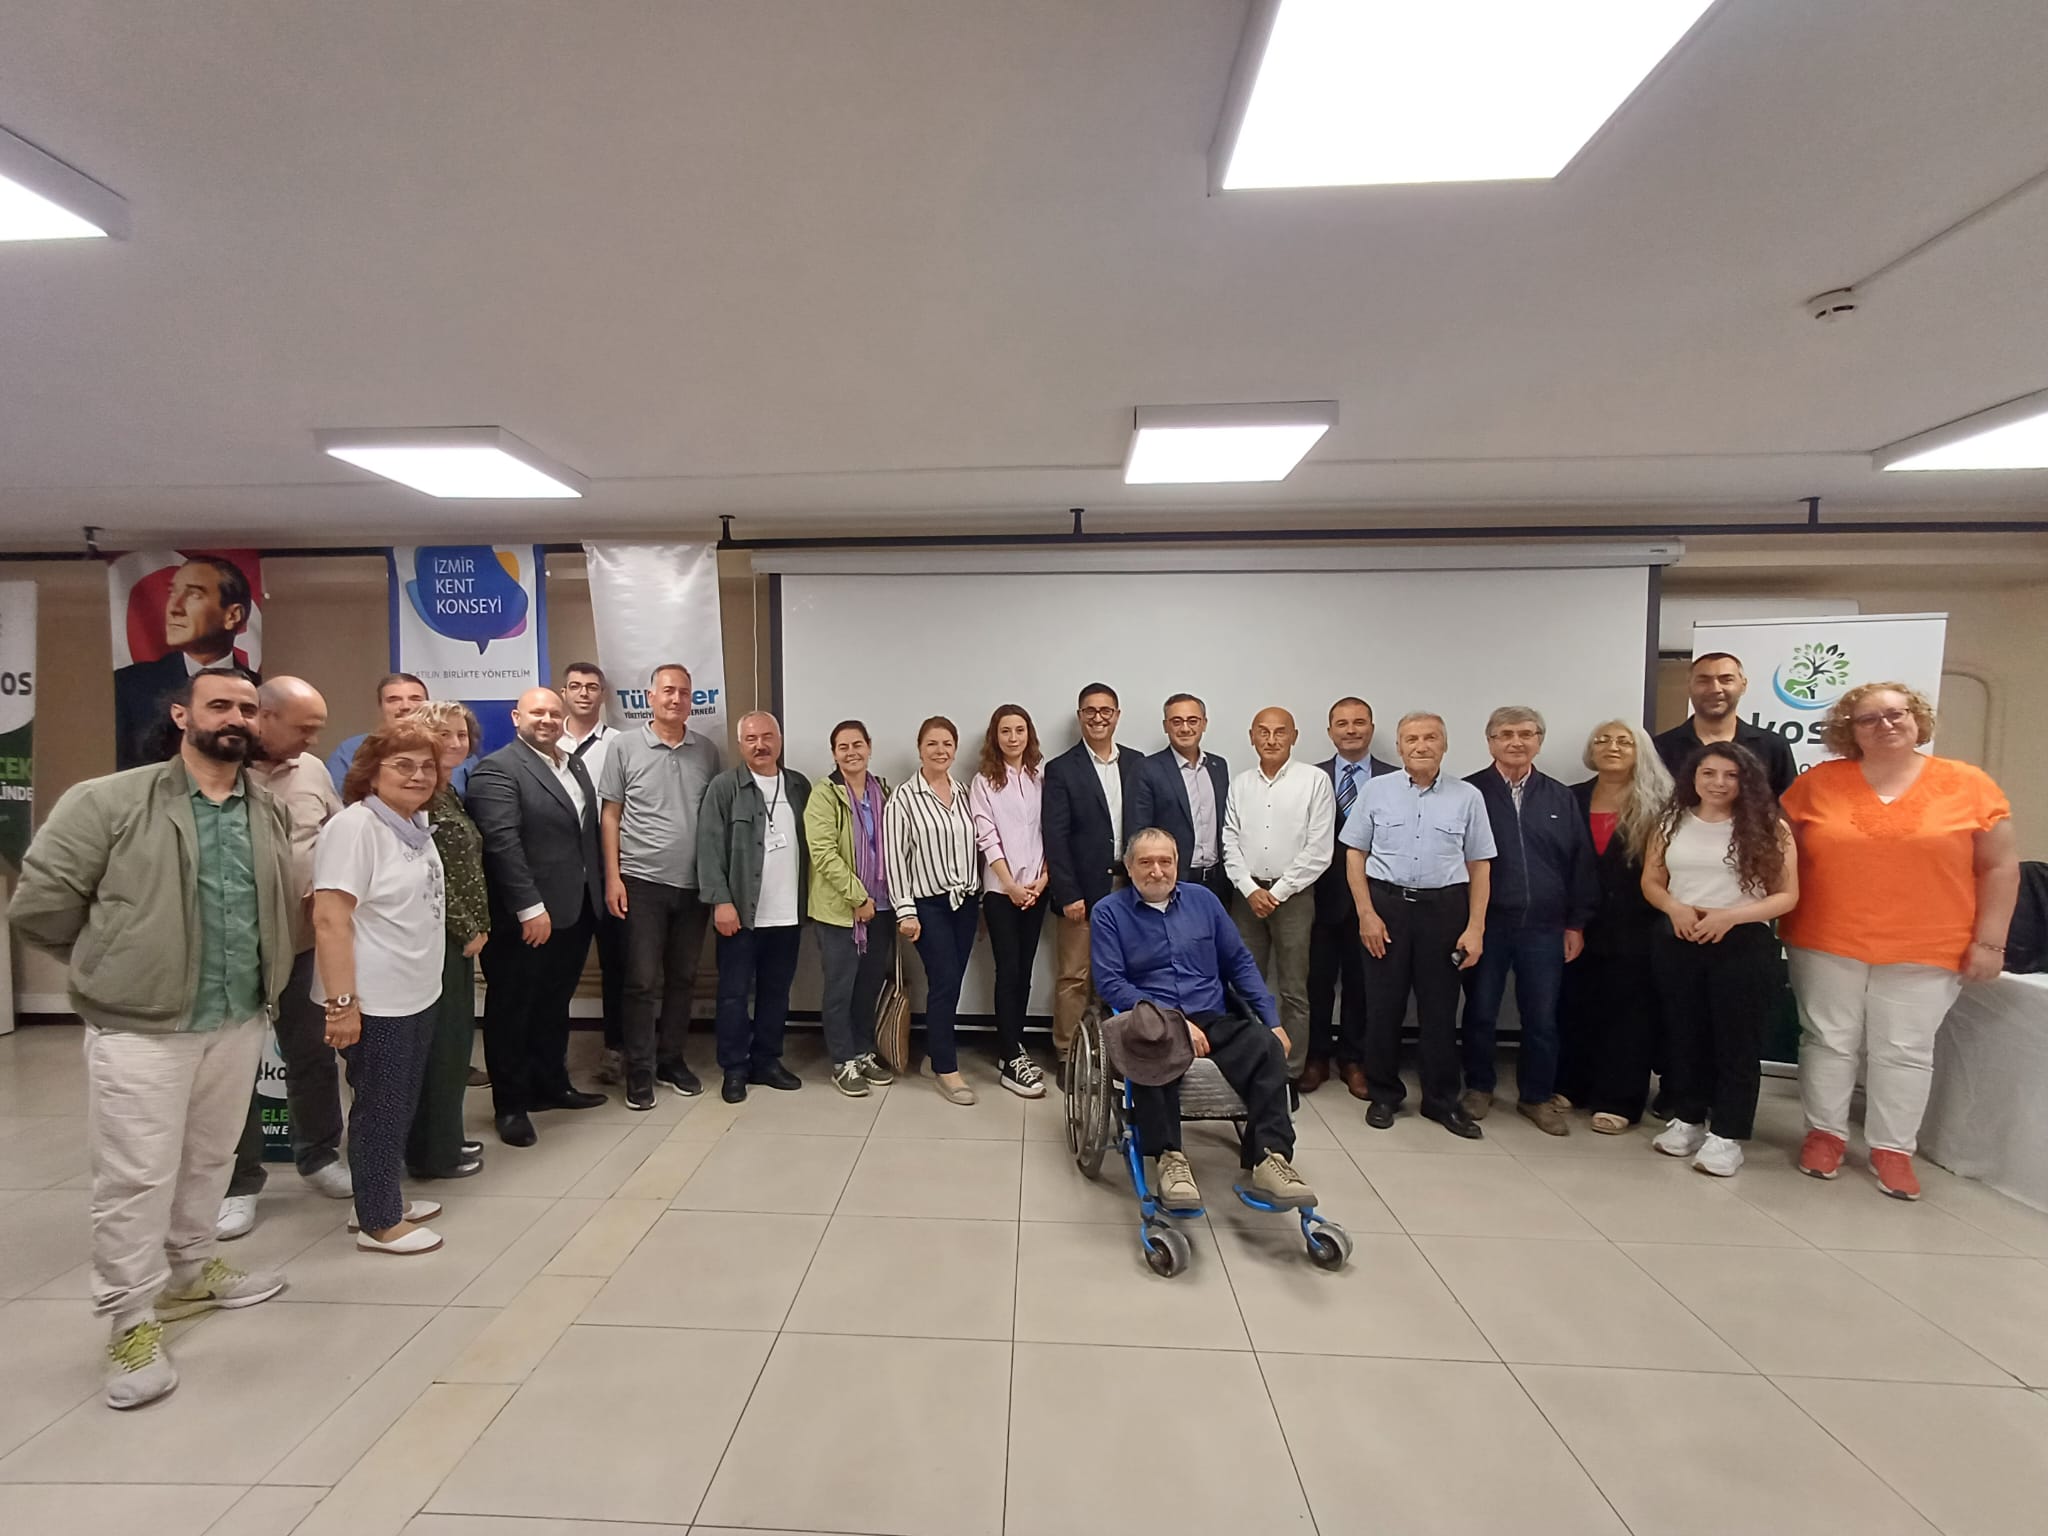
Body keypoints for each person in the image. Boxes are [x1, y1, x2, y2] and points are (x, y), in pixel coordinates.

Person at [10, 665, 295, 1409]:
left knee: (210, 1157)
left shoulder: (263, 808)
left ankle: (191, 1271)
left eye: (248, 709)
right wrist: (118, 966)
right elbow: (41, 908)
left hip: (236, 1016)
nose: (235, 718)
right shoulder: (108, 801)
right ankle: (130, 1320)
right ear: (181, 715)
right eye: (220, 705)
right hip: (142, 1027)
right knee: (135, 1177)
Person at [1780, 683, 2018, 1200]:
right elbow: (1781, 856)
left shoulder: (1968, 784)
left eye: (1895, 714)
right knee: (1827, 1039)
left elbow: (1999, 866)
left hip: (1928, 944)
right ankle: (1824, 1135)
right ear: (1850, 731)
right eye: (1868, 719)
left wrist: (1991, 942)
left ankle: (1892, 1149)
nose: (1885, 725)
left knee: (1904, 1050)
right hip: (1826, 938)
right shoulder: (1818, 784)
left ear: (1917, 719)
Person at [1091, 827, 1317, 1210]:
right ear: (1129, 867)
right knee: (1151, 1048)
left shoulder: (1204, 902)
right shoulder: (1109, 912)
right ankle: (1169, 1158)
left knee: (1265, 1048)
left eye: (1165, 861)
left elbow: (1239, 963)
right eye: (1146, 862)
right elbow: (1111, 983)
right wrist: (1173, 1022)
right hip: (1152, 1020)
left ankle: (1270, 1159)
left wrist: (1272, 1021)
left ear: (1177, 864)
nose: (1157, 871)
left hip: (1211, 1016)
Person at [219, 677, 351, 1241]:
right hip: (233, 951)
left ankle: (318, 1156)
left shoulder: (313, 771)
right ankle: (237, 1184)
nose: (312, 740)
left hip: (301, 946)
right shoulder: (219, 772)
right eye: (304, 728)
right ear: (263, 717)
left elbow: (337, 835)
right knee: (231, 1070)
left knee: (312, 1056)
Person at [314, 723, 450, 1254]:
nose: (418, 775)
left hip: (415, 990)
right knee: (380, 1107)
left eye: (427, 766)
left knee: (400, 1102)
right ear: (371, 774)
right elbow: (330, 918)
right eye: (403, 765)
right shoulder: (356, 828)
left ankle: (378, 1195)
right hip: (374, 999)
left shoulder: (413, 825)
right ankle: (378, 1221)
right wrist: (341, 1005)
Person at [1641, 742, 1799, 1177]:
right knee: (1685, 1034)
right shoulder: (1671, 821)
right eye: (1709, 773)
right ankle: (1689, 1119)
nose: (1719, 783)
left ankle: (1728, 1135)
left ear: (1746, 780)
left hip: (1742, 941)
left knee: (1736, 1043)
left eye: (1731, 775)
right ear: (1693, 777)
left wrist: (1730, 916)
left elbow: (1787, 896)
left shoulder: (1770, 827)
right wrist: (1673, 907)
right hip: (1680, 937)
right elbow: (1652, 880)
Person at [465, 687, 608, 1147]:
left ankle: (551, 1085)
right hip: (526, 916)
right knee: (512, 1009)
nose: (546, 720)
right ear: (516, 717)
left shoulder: (572, 763)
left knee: (553, 1002)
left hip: (575, 907)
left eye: (553, 713)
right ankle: (510, 1105)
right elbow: (502, 844)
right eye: (536, 712)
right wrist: (530, 907)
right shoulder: (498, 769)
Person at [1342, 712, 1496, 1139]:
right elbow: (1354, 854)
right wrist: (1366, 913)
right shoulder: (1376, 791)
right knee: (1383, 1006)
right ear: (1399, 746)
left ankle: (1441, 1100)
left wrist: (1476, 928)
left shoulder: (1468, 797)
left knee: (1440, 1009)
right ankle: (1384, 1095)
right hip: (1386, 907)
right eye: (1411, 739)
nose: (1421, 745)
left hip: (1444, 911)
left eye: (1430, 738)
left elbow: (1480, 865)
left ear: (1444, 745)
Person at [1457, 706, 1598, 1134]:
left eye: (1525, 734)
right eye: (1505, 734)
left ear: (1539, 740)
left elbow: (1580, 863)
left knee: (1541, 1017)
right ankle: (1479, 1086)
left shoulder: (1560, 797)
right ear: (1490, 742)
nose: (1515, 742)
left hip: (1545, 926)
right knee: (1481, 1010)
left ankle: (1536, 1096)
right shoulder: (1469, 792)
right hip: (1487, 924)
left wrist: (1576, 924)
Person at [599, 663, 722, 1109]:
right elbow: (610, 815)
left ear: (692, 700)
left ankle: (671, 1060)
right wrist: (613, 877)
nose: (676, 698)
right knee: (640, 981)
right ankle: (639, 1069)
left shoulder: (706, 751)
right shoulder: (624, 746)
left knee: (684, 979)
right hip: (641, 882)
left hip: (693, 886)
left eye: (684, 692)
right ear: (650, 697)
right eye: (668, 691)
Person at [1557, 720, 1673, 1133]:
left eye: (1624, 741)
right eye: (1603, 740)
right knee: (1575, 1004)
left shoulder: (1661, 803)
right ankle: (1571, 1086)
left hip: (1637, 923)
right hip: (1578, 920)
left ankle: (1618, 1099)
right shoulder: (1571, 797)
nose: (1612, 747)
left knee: (1630, 1012)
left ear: (1641, 751)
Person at [697, 712, 811, 1103]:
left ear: (779, 739)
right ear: (740, 744)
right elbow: (709, 849)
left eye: (767, 736)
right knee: (732, 995)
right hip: (740, 915)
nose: (760, 745)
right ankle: (734, 1068)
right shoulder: (724, 787)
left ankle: (767, 1061)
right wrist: (721, 902)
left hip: (788, 913)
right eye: (751, 739)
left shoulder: (798, 786)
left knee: (776, 993)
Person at [1221, 706, 1333, 1082]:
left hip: (1295, 897)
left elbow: (1319, 849)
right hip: (1247, 896)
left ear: (1294, 736)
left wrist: (1279, 892)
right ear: (1252, 736)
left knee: (1293, 989)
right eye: (1263, 732)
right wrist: (1250, 889)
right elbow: (1229, 841)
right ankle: (1248, 1064)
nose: (1271, 740)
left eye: (1280, 732)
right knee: (1243, 982)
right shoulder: (1240, 784)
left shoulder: (1314, 781)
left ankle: (1289, 1072)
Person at [404, 702, 489, 1180]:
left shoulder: (448, 791)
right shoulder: (419, 796)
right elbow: (427, 876)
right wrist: (466, 927)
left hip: (458, 940)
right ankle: (432, 1152)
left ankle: (448, 1137)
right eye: (445, 735)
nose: (457, 743)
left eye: (461, 735)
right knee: (440, 1048)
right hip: (439, 938)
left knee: (456, 1045)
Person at [885, 716, 984, 1106]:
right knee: (944, 981)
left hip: (965, 904)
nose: (940, 751)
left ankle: (933, 1055)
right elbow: (895, 859)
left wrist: (979, 903)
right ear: (920, 748)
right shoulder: (903, 799)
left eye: (947, 744)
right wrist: (905, 912)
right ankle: (946, 1068)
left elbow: (974, 850)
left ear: (955, 749)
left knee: (952, 982)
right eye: (932, 744)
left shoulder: (964, 793)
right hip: (928, 907)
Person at [1042, 683, 1143, 1060]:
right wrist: (1068, 894)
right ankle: (1068, 1053)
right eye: (1090, 711)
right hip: (1081, 890)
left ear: (1117, 715)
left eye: (1106, 711)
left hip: (1130, 889)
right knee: (1075, 975)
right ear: (1080, 716)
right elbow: (1055, 837)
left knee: (1121, 973)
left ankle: (1115, 1052)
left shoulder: (1137, 763)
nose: (1098, 717)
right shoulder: (1061, 769)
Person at [1305, 696, 1399, 1096]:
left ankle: (1354, 1058)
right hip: (1320, 897)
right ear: (1330, 732)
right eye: (1342, 723)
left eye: (1359, 722)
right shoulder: (1311, 777)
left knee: (1363, 984)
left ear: (1371, 729)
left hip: (1375, 899)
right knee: (1317, 982)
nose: (1351, 730)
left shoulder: (1396, 779)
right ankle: (1315, 1056)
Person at [805, 720, 900, 1097]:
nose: (851, 752)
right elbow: (823, 854)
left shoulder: (883, 791)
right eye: (842, 747)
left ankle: (863, 1051)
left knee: (868, 987)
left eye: (857, 744)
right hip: (840, 912)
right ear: (834, 754)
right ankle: (842, 1060)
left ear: (869, 747)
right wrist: (857, 898)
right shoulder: (824, 795)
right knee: (840, 989)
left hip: (882, 909)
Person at [970, 704, 1052, 1097]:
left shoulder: (1040, 777)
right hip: (1002, 892)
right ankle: (1008, 1055)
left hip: (1037, 888)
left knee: (1026, 970)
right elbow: (986, 837)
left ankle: (1015, 1047)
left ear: (1028, 734)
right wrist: (1010, 885)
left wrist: (1043, 879)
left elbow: (1050, 830)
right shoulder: (984, 781)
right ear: (995, 736)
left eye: (1020, 730)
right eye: (1006, 731)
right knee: (1008, 970)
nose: (1013, 737)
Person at [113, 555, 252, 770]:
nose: (174, 608)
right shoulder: (130, 684)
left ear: (232, 616)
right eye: (173, 593)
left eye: (194, 595)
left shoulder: (260, 689)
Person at [561, 660, 627, 1084]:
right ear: (564, 693)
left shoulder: (620, 744)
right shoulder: (547, 740)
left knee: (618, 966)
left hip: (610, 869)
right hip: (564, 874)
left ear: (602, 695)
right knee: (561, 969)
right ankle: (550, 1057)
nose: (583, 693)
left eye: (591, 687)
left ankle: (616, 1049)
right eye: (575, 686)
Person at [1653, 652, 1798, 801]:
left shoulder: (1772, 746)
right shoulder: (1659, 748)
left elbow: (1790, 806)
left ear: (1743, 685)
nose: (1715, 689)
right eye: (1704, 681)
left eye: (1726, 680)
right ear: (1689, 686)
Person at [1129, 693, 1231, 896]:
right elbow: (1139, 833)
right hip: (1171, 879)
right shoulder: (1147, 768)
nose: (1185, 728)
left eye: (1192, 721)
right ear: (1165, 726)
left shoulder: (1218, 766)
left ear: (1204, 723)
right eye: (1177, 721)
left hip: (1218, 880)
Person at [326, 673, 430, 793]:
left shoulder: (447, 747)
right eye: (394, 700)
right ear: (380, 707)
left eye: (415, 699)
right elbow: (340, 798)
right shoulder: (350, 751)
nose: (405, 706)